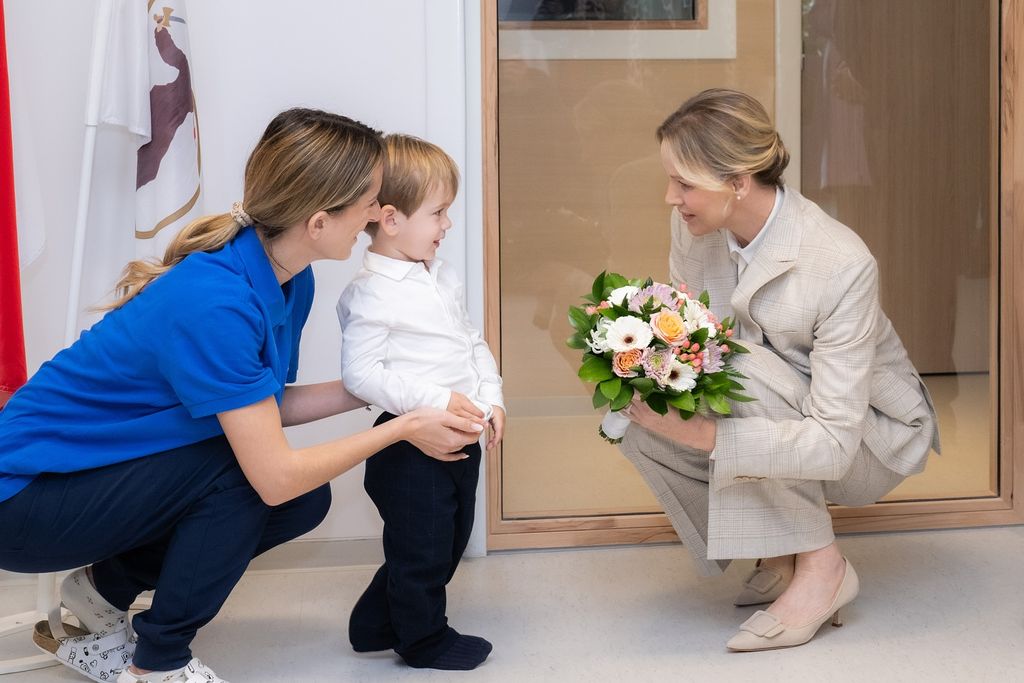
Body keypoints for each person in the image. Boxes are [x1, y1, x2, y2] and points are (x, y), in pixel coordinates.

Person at [0, 109, 485, 683]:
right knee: (258, 476)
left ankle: (102, 592)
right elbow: (271, 471)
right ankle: (157, 664)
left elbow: (262, 406)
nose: (376, 217)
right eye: (369, 204)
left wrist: (380, 389)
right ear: (320, 220)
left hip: (95, 476)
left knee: (305, 499)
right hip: (26, 500)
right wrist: (402, 427)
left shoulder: (287, 276)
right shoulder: (215, 300)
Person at [617, 88, 940, 651]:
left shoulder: (840, 262)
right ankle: (779, 544)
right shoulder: (694, 227)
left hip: (868, 437)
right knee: (639, 416)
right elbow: (696, 348)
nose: (671, 197)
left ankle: (822, 566)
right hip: (778, 399)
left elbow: (834, 442)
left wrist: (706, 434)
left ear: (738, 182)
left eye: (685, 183)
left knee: (732, 366)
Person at [337, 134, 505, 671]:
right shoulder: (369, 293)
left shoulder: (442, 276)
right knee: (422, 551)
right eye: (439, 213)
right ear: (390, 218)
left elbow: (470, 341)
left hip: (462, 436)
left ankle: (374, 622)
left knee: (448, 542)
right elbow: (361, 374)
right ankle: (423, 639)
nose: (447, 225)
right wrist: (437, 403)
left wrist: (492, 398)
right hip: (408, 447)